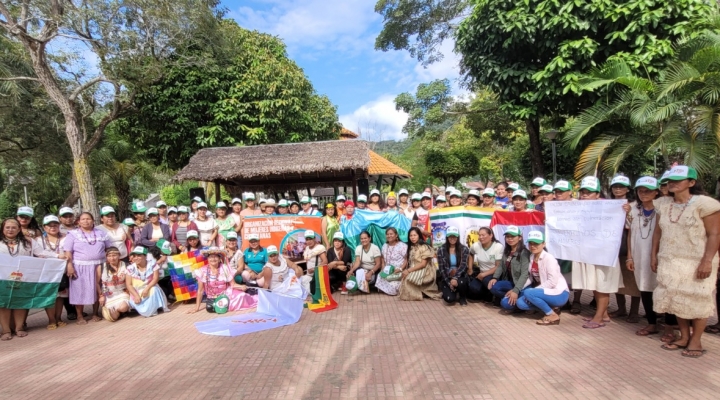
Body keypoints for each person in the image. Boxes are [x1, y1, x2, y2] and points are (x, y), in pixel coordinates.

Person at [651, 166, 720, 357]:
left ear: (691, 183)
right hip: (670, 259)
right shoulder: (663, 204)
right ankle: (683, 336)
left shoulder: (706, 204)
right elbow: (658, 232)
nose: (672, 183)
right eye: (670, 180)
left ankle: (696, 340)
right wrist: (653, 255)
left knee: (697, 298)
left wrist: (707, 261)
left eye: (678, 180)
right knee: (676, 297)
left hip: (697, 260)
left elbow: (715, 234)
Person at [624, 177, 677, 340]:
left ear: (656, 192)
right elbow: (630, 233)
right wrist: (629, 256)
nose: (643, 194)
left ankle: (669, 325)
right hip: (639, 255)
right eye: (640, 190)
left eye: (648, 190)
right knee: (645, 288)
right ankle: (651, 322)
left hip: (662, 255)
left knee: (666, 289)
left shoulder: (666, 208)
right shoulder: (632, 209)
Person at [572, 176, 623, 329]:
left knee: (602, 285)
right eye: (582, 192)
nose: (584, 195)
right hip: (588, 252)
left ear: (597, 193)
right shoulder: (578, 208)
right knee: (595, 284)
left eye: (589, 192)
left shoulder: (609, 207)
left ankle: (599, 317)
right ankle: (604, 314)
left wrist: (625, 210)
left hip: (605, 253)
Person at [63, 212, 113, 325]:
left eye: (88, 219)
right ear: (78, 222)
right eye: (83, 219)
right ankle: (80, 316)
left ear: (93, 220)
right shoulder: (73, 234)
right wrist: (69, 265)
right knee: (79, 291)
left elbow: (109, 249)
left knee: (97, 290)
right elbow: (68, 252)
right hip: (80, 267)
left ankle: (95, 313)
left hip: (99, 266)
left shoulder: (101, 233)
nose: (86, 221)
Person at [0, 218, 46, 340]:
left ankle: (19, 328)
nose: (10, 230)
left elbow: (42, 253)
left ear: (19, 229)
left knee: (20, 302)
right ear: (3, 229)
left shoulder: (28, 242)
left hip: (23, 277)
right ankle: (5, 330)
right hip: (2, 279)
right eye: (7, 227)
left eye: (14, 227)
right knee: (3, 303)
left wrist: (58, 256)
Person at [516, 231, 569, 325]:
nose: (532, 246)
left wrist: (533, 292)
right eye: (530, 243)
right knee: (520, 303)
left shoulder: (549, 258)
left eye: (536, 243)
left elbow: (552, 282)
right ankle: (552, 308)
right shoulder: (532, 257)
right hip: (545, 292)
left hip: (559, 293)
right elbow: (531, 278)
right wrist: (517, 288)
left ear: (544, 244)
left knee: (529, 293)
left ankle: (552, 315)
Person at [609, 175, 641, 323]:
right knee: (616, 279)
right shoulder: (606, 204)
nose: (618, 189)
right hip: (612, 248)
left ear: (628, 189)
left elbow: (636, 226)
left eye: (621, 187)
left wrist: (628, 212)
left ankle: (634, 311)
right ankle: (621, 308)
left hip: (629, 246)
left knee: (633, 280)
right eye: (615, 186)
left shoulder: (636, 205)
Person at [187, 247, 256, 313]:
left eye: (215, 257)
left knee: (242, 296)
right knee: (211, 308)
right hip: (212, 297)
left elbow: (233, 284)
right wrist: (197, 308)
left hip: (226, 293)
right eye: (211, 257)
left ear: (219, 258)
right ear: (207, 259)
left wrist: (241, 287)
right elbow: (200, 290)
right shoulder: (202, 271)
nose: (213, 259)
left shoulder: (225, 268)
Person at [487, 226, 531, 312]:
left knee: (505, 304)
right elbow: (501, 266)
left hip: (522, 284)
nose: (510, 239)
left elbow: (524, 275)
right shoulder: (507, 250)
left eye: (513, 236)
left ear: (520, 238)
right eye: (507, 236)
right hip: (511, 282)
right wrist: (495, 277)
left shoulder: (524, 253)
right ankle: (513, 298)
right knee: (492, 286)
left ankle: (519, 302)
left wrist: (516, 290)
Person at [37, 215, 69, 330]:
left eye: (55, 225)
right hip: (46, 272)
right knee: (49, 296)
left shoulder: (66, 238)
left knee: (60, 296)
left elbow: (68, 253)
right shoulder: (38, 240)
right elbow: (39, 253)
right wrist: (56, 256)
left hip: (62, 272)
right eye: (49, 225)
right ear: (44, 227)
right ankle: (51, 319)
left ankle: (59, 318)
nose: (53, 227)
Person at [125, 246, 169, 317]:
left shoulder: (153, 264)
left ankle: (154, 308)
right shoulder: (130, 268)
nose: (136, 258)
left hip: (150, 287)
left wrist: (147, 289)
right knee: (144, 310)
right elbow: (129, 284)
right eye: (134, 256)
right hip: (137, 291)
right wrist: (136, 295)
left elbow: (155, 278)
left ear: (145, 256)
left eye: (139, 255)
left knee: (154, 289)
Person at [399, 227, 440, 301]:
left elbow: (423, 264)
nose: (413, 237)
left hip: (425, 270)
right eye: (411, 236)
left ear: (419, 235)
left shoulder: (424, 247)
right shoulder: (411, 247)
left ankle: (419, 293)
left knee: (408, 280)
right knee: (403, 279)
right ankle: (420, 292)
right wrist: (402, 269)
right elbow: (408, 260)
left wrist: (408, 271)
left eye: (415, 235)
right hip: (415, 268)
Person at [468, 227, 504, 301]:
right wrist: (470, 268)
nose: (481, 237)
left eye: (483, 235)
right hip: (481, 274)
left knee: (486, 281)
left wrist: (483, 274)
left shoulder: (498, 247)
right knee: (473, 288)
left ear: (491, 235)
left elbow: (498, 266)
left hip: (494, 274)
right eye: (479, 235)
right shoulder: (476, 245)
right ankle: (487, 294)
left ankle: (496, 296)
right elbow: (471, 254)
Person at [437, 226, 471, 306]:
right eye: (450, 236)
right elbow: (441, 269)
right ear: (447, 237)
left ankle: (462, 297)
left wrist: (455, 278)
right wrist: (449, 283)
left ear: (458, 237)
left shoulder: (464, 249)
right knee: (449, 299)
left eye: (454, 236)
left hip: (460, 276)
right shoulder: (441, 249)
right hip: (447, 277)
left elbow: (463, 266)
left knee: (461, 282)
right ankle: (453, 291)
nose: (452, 238)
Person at [96, 247, 130, 322]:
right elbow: (97, 283)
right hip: (108, 295)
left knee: (123, 307)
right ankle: (118, 312)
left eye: (114, 255)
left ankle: (121, 310)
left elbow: (129, 282)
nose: (112, 258)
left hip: (122, 293)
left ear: (119, 255)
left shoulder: (126, 265)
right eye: (109, 256)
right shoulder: (101, 267)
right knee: (112, 318)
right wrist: (101, 296)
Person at [375, 228, 408, 296]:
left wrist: (401, 268)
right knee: (379, 276)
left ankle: (391, 289)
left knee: (393, 286)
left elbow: (406, 259)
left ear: (396, 235)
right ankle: (386, 289)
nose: (389, 236)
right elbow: (383, 259)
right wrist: (383, 268)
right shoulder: (385, 246)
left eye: (391, 234)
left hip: (397, 271)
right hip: (387, 271)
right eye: (387, 234)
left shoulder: (402, 246)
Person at [302, 230, 327, 294]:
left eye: (310, 239)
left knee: (312, 293)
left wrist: (314, 269)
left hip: (317, 277)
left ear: (314, 238)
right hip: (309, 275)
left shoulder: (320, 248)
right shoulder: (307, 248)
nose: (309, 241)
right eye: (307, 239)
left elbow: (325, 261)